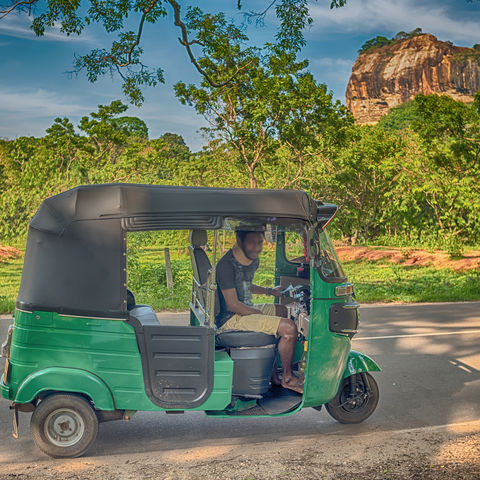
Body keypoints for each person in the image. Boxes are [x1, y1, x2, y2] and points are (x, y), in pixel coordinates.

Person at [215, 226, 303, 394]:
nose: (257, 247)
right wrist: (256, 313)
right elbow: (232, 304)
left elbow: (245, 286)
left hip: (240, 310)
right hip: (230, 318)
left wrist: (269, 291)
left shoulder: (240, 261)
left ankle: (272, 373)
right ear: (239, 241)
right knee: (289, 328)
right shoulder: (226, 265)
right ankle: (288, 378)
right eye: (251, 243)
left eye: (259, 242)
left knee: (281, 311)